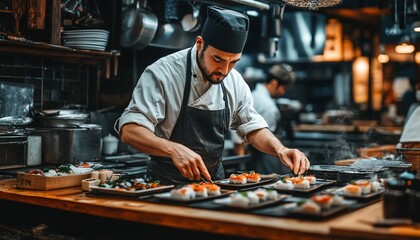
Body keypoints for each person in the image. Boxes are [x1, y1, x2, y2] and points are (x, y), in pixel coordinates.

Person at [116, 6, 309, 185]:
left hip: (214, 186)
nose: (224, 70)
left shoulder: (234, 80)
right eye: (217, 59)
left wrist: (280, 149)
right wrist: (172, 149)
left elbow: (252, 127)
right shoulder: (162, 73)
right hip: (165, 185)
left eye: (233, 62)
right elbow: (130, 130)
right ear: (199, 43)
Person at [248, 64, 296, 174]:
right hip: (265, 158)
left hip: (256, 157)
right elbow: (265, 136)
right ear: (274, 83)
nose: (283, 92)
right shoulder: (268, 106)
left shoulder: (253, 95)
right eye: (283, 88)